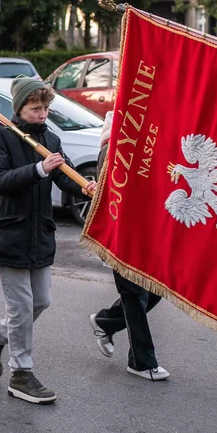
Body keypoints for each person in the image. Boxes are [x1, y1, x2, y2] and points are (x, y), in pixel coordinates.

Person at [0, 76, 95, 404]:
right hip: (10, 232)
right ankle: (21, 373)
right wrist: (39, 170)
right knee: (21, 306)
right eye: (35, 108)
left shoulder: (51, 138)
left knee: (40, 301)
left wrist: (84, 185)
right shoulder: (0, 135)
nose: (42, 114)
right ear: (20, 108)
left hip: (40, 233)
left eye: (46, 108)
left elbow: (64, 173)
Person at [87, 111, 168, 380]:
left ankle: (106, 321)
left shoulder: (144, 143)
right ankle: (142, 362)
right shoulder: (112, 148)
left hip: (145, 233)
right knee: (134, 295)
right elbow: (114, 197)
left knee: (155, 290)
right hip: (121, 236)